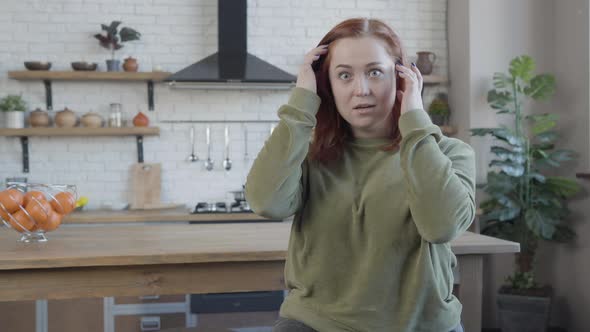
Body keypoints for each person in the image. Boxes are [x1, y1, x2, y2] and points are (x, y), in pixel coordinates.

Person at [245, 18, 474, 332]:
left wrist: (415, 120)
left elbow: (441, 226)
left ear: (403, 78)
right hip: (316, 324)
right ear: (328, 86)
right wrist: (301, 103)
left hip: (421, 325)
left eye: (375, 72)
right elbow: (266, 202)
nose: (360, 90)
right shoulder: (308, 156)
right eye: (344, 75)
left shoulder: (450, 153)